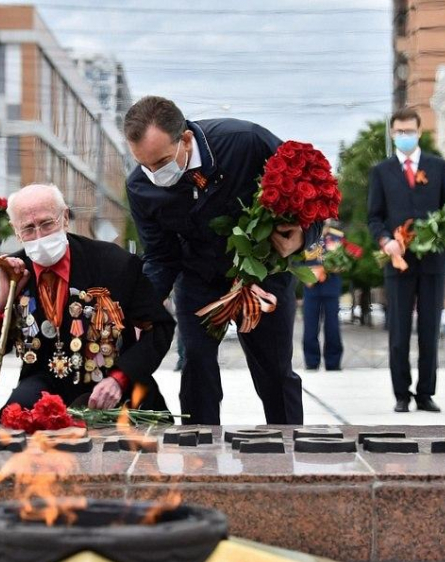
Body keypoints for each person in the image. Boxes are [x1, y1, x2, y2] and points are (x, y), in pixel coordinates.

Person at [123, 96, 321, 425]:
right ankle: (200, 455)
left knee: (274, 370)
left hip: (261, 274)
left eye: (160, 162)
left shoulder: (245, 143)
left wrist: (303, 236)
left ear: (185, 139)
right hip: (198, 278)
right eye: (144, 165)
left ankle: (288, 454)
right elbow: (160, 255)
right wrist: (144, 305)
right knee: (197, 367)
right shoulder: (140, 187)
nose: (154, 174)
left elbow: (311, 191)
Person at [0, 184, 174, 421]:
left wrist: (120, 378)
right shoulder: (13, 271)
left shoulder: (115, 263)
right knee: (10, 425)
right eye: (28, 228)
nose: (40, 236)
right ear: (16, 231)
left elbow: (160, 328)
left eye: (47, 223)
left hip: (107, 379)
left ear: (65, 218)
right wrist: (1, 301)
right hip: (43, 383)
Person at [368, 107, 445, 413]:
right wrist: (386, 241)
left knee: (430, 329)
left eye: (410, 131)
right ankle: (401, 394)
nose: (405, 136)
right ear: (392, 133)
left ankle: (426, 393)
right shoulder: (381, 171)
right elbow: (374, 217)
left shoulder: (438, 166)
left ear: (419, 132)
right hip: (398, 260)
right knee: (399, 330)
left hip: (432, 261)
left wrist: (440, 232)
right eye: (400, 131)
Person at [301, 225, 345, 371]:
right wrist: (303, 274)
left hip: (331, 284)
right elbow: (296, 258)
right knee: (310, 325)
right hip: (310, 284)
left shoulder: (337, 235)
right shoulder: (306, 234)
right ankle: (311, 362)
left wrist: (339, 266)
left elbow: (344, 260)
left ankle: (333, 362)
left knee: (332, 325)